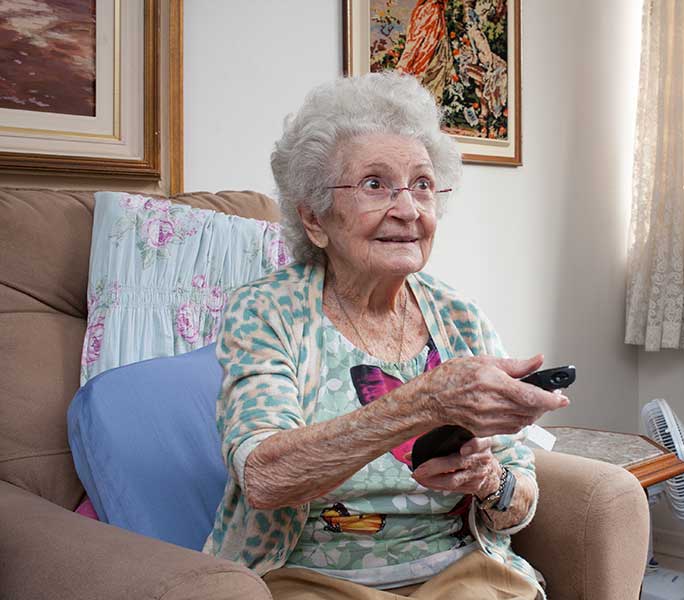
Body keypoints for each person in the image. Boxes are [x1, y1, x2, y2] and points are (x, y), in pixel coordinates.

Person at [202, 71, 568, 600]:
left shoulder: (460, 319)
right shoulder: (267, 311)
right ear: (314, 219)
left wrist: (490, 481)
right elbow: (264, 477)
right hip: (314, 578)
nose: (408, 209)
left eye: (422, 184)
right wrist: (424, 402)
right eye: (375, 184)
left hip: (459, 575)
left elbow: (519, 498)